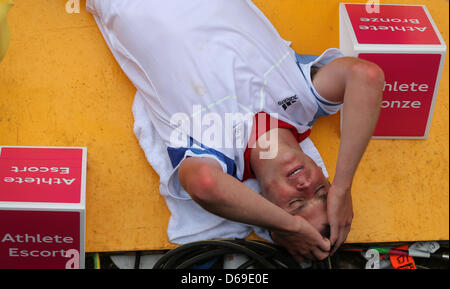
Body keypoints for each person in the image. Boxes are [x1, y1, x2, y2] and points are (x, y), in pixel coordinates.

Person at [87, 0, 384, 262]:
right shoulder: (303, 102)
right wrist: (343, 188)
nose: (306, 186)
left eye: (295, 204)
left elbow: (204, 184)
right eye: (321, 191)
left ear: (263, 202)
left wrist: (289, 228)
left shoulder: (215, 152)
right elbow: (366, 76)